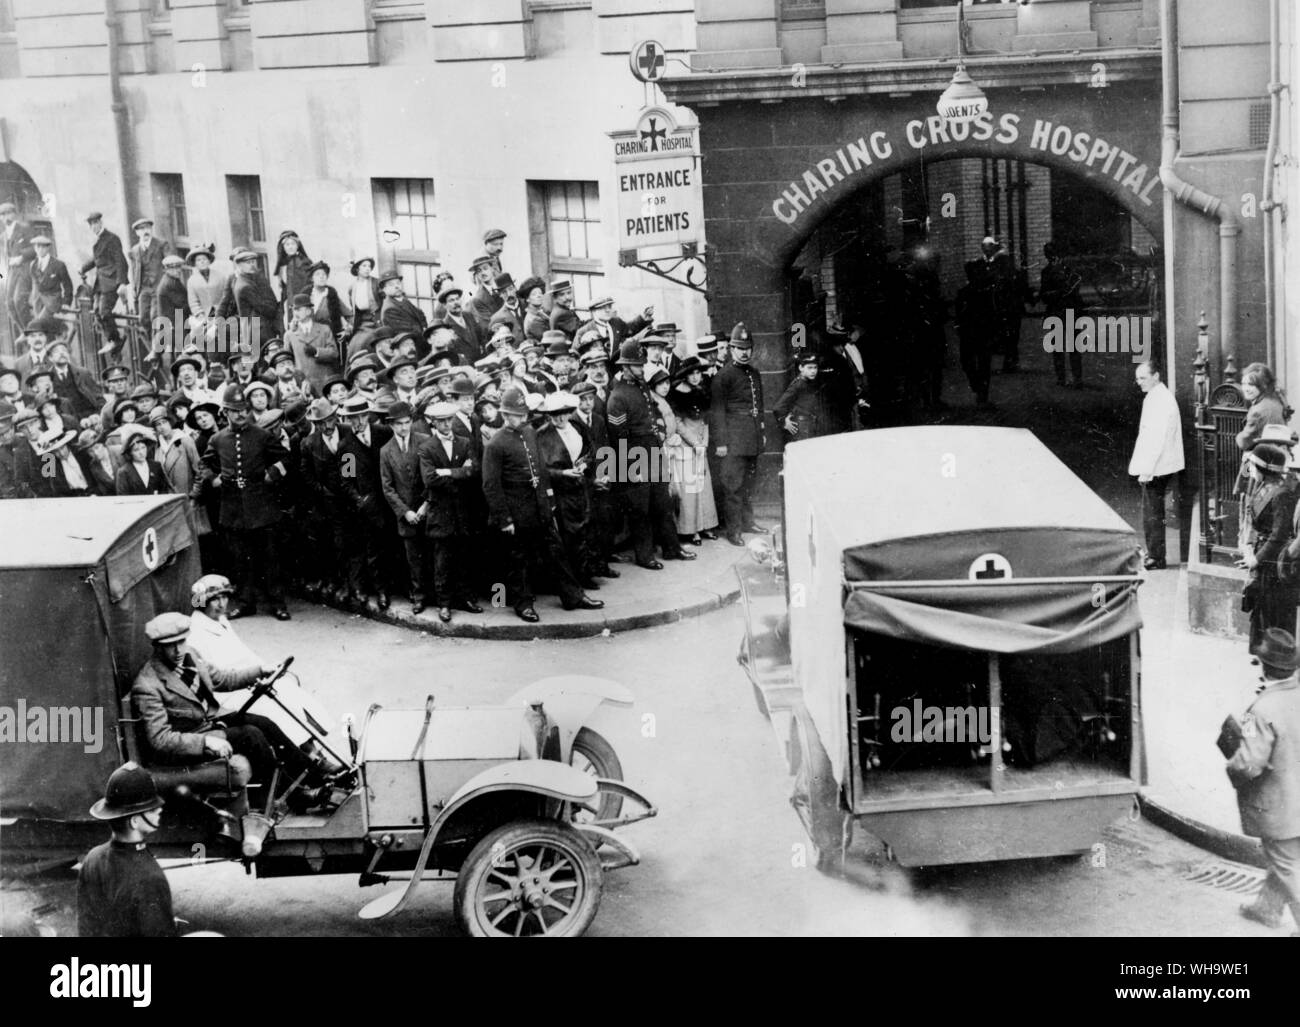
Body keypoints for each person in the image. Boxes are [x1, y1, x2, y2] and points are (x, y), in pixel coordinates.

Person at [130, 612, 328, 814]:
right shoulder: (148, 685)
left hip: (211, 722)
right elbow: (160, 739)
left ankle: (318, 776)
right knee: (251, 736)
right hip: (193, 739)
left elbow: (221, 679)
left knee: (264, 723)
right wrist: (206, 743)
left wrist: (261, 670)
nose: (178, 650)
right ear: (157, 646)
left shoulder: (190, 655)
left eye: (181, 641)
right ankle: (297, 796)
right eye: (170, 645)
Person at [482, 387, 602, 622]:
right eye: (513, 414)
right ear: (504, 414)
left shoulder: (529, 433)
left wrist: (548, 500)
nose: (519, 418)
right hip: (517, 514)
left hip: (540, 508)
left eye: (522, 413)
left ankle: (573, 596)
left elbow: (541, 470)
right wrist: (505, 519)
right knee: (520, 560)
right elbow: (491, 486)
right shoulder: (496, 444)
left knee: (557, 553)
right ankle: (523, 604)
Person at [1226, 627, 1300, 935]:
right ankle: (1267, 908)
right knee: (1287, 856)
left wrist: (1232, 764)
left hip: (1279, 806)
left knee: (1286, 863)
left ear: (1262, 665)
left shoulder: (1260, 710)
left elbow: (1248, 765)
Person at [204, 384, 292, 620]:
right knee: (241, 562)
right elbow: (205, 464)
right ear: (226, 412)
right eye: (234, 410)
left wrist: (272, 473)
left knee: (270, 559)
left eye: (243, 409)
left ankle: (278, 604)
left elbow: (285, 458)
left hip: (262, 508)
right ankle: (246, 603)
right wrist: (214, 479)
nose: (240, 414)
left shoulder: (262, 436)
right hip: (233, 511)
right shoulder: (218, 439)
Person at [606, 341, 694, 568]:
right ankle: (645, 556)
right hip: (636, 456)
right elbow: (618, 437)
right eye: (636, 365)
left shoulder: (642, 386)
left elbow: (653, 413)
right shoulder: (618, 396)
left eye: (641, 364)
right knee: (640, 510)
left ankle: (672, 548)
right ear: (625, 366)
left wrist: (661, 432)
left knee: (663, 504)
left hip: (653, 451)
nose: (641, 368)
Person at [77, 762, 178, 938]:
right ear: (134, 822)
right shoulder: (150, 877)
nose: (160, 809)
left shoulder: (93, 858)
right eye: (151, 808)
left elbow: (86, 926)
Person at [418, 399, 482, 622]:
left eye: (448, 420)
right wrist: (457, 474)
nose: (446, 425)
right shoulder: (426, 447)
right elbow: (430, 479)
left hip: (462, 512)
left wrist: (446, 472)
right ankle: (444, 603)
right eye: (441, 422)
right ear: (433, 423)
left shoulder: (465, 443)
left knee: (464, 557)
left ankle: (465, 598)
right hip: (441, 513)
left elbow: (473, 471)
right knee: (442, 561)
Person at [1237, 442, 1300, 649]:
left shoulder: (1281, 493)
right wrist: (1249, 548)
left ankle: (1275, 657)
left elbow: (1279, 534)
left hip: (1274, 564)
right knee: (1263, 608)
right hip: (1265, 558)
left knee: (1275, 612)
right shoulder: (1263, 486)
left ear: (1264, 469)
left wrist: (1256, 559)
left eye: (1254, 466)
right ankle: (1265, 653)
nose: (1251, 470)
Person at [711, 323, 766, 547]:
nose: (745, 352)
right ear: (732, 349)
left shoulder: (754, 373)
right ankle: (733, 530)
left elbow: (759, 406)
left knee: (749, 484)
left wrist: (761, 431)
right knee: (733, 486)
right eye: (739, 348)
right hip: (733, 439)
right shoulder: (723, 377)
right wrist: (721, 442)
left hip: (751, 436)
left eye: (748, 348)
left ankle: (748, 522)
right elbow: (717, 412)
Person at [536, 391, 598, 588]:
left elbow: (590, 450)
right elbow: (541, 469)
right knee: (568, 535)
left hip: (581, 487)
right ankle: (572, 579)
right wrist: (563, 474)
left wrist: (584, 465)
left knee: (585, 530)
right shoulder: (542, 435)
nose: (560, 418)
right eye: (555, 415)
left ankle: (586, 572)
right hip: (561, 492)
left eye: (564, 413)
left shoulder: (578, 427)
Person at [338, 393, 392, 610]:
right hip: (369, 506)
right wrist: (360, 500)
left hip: (391, 498)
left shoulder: (383, 433)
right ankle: (381, 591)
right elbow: (346, 481)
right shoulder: (347, 447)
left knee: (395, 545)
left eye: (361, 417)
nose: (357, 422)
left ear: (368, 415)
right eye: (352, 419)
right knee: (373, 551)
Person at [1129, 362, 1185, 570]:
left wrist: (1147, 470)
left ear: (1156, 376)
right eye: (1137, 379)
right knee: (1153, 511)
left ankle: (1156, 557)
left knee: (1152, 512)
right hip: (1159, 463)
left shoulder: (1160, 399)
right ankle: (1155, 554)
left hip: (1157, 465)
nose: (1139, 383)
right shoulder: (1157, 396)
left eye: (1143, 378)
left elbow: (1157, 439)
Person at [298, 397, 353, 607]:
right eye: (320, 423)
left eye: (329, 421)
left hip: (348, 499)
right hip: (325, 503)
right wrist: (323, 491)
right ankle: (334, 582)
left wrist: (347, 488)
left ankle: (350, 584)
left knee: (349, 543)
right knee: (330, 543)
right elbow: (306, 473)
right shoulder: (309, 443)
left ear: (335, 417)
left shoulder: (348, 432)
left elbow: (352, 464)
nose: (326, 426)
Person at [378, 402, 430, 613]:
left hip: (427, 508)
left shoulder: (424, 441)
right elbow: (387, 488)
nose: (404, 428)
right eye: (399, 424)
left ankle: (437, 595)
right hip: (406, 514)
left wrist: (426, 504)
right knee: (413, 558)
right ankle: (419, 597)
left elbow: (431, 477)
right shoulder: (386, 451)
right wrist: (406, 511)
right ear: (391, 425)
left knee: (433, 555)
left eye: (407, 423)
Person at [667, 358, 719, 545]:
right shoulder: (677, 394)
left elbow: (705, 420)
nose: (696, 377)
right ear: (685, 376)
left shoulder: (701, 391)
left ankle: (706, 525)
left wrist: (704, 441)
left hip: (700, 443)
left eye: (698, 373)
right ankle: (692, 530)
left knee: (703, 486)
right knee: (691, 489)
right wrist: (695, 442)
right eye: (692, 374)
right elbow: (678, 424)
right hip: (686, 444)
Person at [79, 212, 130, 357]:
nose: (93, 227)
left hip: (112, 282)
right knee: (96, 310)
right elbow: (97, 259)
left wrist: (121, 283)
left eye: (95, 223)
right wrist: (83, 268)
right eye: (91, 225)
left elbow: (121, 261)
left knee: (104, 311)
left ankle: (115, 340)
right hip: (101, 282)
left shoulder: (111, 239)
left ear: (101, 223)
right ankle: (112, 342)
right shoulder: (99, 240)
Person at [1038, 241, 1083, 388]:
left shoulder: (1070, 270)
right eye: (1049, 255)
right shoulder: (1046, 272)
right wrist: (1059, 293)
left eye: (1052, 254)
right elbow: (1044, 295)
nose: (1051, 257)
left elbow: (1073, 289)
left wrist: (1056, 293)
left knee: (1073, 347)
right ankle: (1062, 378)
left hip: (1068, 311)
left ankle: (1076, 378)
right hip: (1057, 311)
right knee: (1059, 347)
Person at [956, 259, 995, 408]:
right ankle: (979, 390)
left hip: (979, 332)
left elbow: (992, 312)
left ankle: (981, 394)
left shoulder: (984, 292)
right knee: (971, 363)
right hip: (971, 332)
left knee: (981, 364)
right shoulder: (965, 293)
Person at [774, 351, 834, 447]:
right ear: (801, 368)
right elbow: (778, 407)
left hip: (810, 426)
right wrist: (783, 422)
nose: (813, 371)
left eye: (815, 367)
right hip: (802, 428)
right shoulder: (798, 385)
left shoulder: (808, 382)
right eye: (809, 368)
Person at [286, 292, 340, 395]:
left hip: (324, 382)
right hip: (303, 385)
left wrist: (317, 352)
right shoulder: (289, 335)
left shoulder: (324, 329)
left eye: (298, 309)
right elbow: (288, 361)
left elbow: (334, 353)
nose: (295, 313)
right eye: (294, 310)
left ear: (308, 311)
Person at [128, 217, 171, 329]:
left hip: (159, 287)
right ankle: (153, 342)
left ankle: (158, 344)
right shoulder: (135, 250)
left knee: (155, 316)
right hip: (144, 289)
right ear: (137, 233)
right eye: (141, 229)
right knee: (143, 318)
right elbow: (133, 271)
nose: (145, 231)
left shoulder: (161, 245)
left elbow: (169, 264)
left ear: (151, 229)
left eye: (147, 228)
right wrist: (134, 288)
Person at [44, 338, 100, 422]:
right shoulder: (47, 379)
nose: (61, 353)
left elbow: (99, 397)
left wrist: (97, 415)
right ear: (50, 358)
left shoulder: (83, 373)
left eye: (64, 350)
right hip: (65, 422)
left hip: (89, 418)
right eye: (56, 351)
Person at [1, 200, 36, 335]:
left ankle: (32, 332)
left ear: (14, 214)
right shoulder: (3, 236)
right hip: (12, 272)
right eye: (2, 215)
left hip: (25, 271)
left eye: (8, 213)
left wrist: (21, 257)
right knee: (9, 303)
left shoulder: (24, 229)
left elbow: (35, 249)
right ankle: (25, 332)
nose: (5, 217)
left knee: (18, 300)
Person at [230, 248, 280, 329]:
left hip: (256, 327)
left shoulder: (251, 279)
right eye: (248, 263)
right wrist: (276, 308)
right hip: (256, 330)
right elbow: (264, 308)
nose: (252, 265)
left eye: (253, 262)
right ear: (239, 266)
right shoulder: (245, 286)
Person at [273, 230, 312, 331]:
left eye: (293, 244)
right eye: (287, 244)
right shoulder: (282, 266)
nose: (290, 247)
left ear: (297, 245)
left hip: (302, 304)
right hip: (288, 304)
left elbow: (308, 286)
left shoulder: (304, 262)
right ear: (283, 247)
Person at [29, 235, 73, 319]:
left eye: (43, 247)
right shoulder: (33, 265)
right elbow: (35, 285)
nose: (40, 249)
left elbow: (68, 285)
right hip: (38, 303)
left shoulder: (58, 265)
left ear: (48, 248)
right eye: (38, 246)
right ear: (34, 248)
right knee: (39, 326)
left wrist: (66, 302)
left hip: (53, 302)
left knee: (38, 325)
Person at [115, 430, 170, 495]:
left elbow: (164, 490)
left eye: (143, 448)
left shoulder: (156, 466)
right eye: (136, 450)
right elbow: (123, 496)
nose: (141, 452)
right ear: (130, 453)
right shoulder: (124, 472)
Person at [349, 257, 382, 333]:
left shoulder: (376, 283)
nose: (367, 268)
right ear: (357, 268)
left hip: (377, 318)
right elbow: (353, 307)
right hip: (361, 321)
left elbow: (385, 300)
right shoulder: (352, 287)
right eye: (364, 266)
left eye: (369, 266)